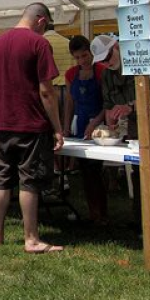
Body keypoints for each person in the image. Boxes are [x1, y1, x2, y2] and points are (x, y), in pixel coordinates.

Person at [0, 3, 65, 253]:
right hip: (30, 123)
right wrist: (58, 128)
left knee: (2, 180)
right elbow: (46, 91)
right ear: (41, 21)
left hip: (2, 124)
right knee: (28, 181)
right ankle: (31, 238)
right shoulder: (38, 44)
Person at [92, 34, 150, 238]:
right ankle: (142, 221)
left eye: (108, 56)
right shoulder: (108, 75)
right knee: (139, 173)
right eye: (102, 60)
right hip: (135, 127)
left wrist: (129, 106)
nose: (107, 62)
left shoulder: (143, 57)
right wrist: (109, 117)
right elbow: (109, 103)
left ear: (117, 46)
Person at [62, 35, 108, 224]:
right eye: (78, 57)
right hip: (79, 124)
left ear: (91, 52)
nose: (82, 60)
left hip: (99, 126)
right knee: (85, 171)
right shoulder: (71, 74)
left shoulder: (102, 72)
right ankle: (93, 212)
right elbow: (69, 102)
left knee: (96, 170)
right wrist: (65, 127)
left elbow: (108, 102)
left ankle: (101, 213)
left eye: (85, 55)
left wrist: (96, 121)